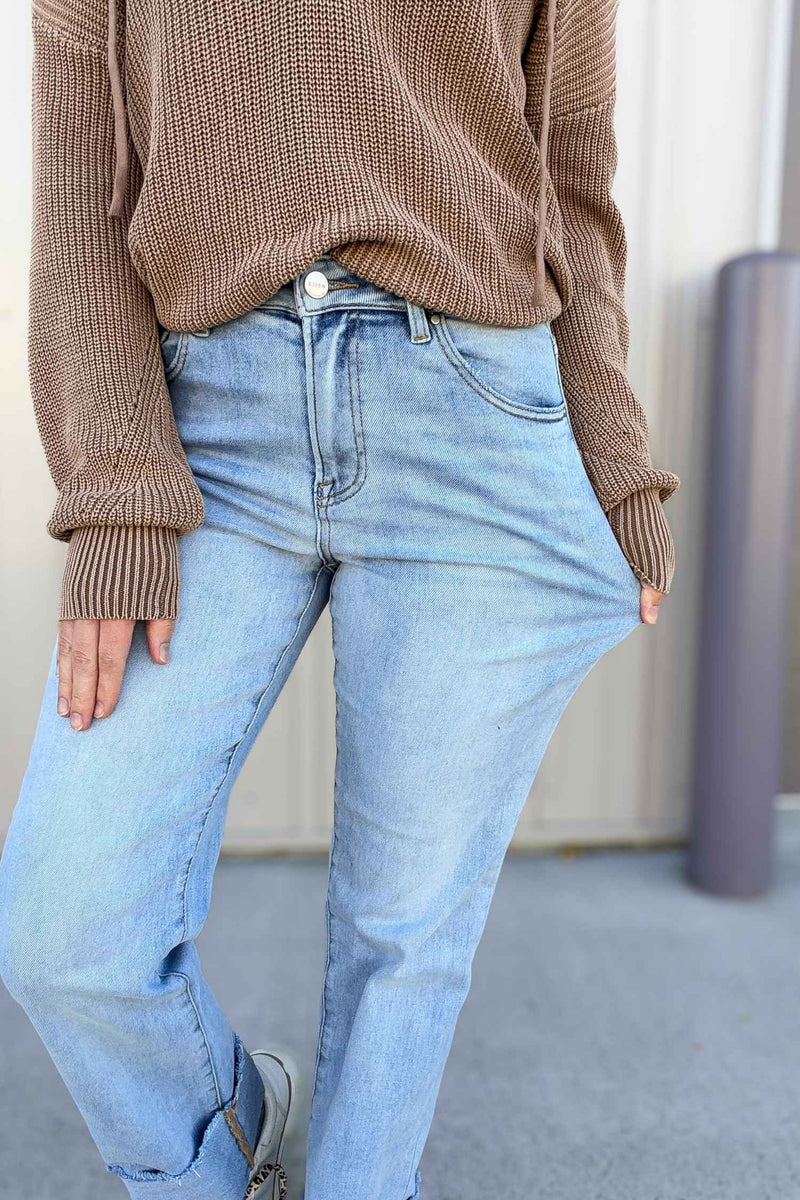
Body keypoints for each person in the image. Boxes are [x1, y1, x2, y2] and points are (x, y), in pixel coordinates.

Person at [0, 0, 681, 1197]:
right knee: (67, 926)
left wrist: (613, 453)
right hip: (211, 421)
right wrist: (113, 496)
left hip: (475, 402)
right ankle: (235, 1133)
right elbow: (81, 187)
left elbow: (566, 162)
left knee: (402, 941)